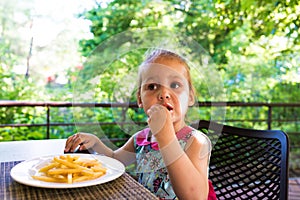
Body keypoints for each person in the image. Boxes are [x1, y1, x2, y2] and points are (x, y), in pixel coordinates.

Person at [64, 49, 216, 200]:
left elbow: (195, 197)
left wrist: (165, 136)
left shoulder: (195, 141)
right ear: (140, 100)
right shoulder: (141, 139)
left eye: (175, 85)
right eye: (152, 87)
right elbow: (115, 160)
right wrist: (96, 143)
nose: (163, 94)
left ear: (190, 98)